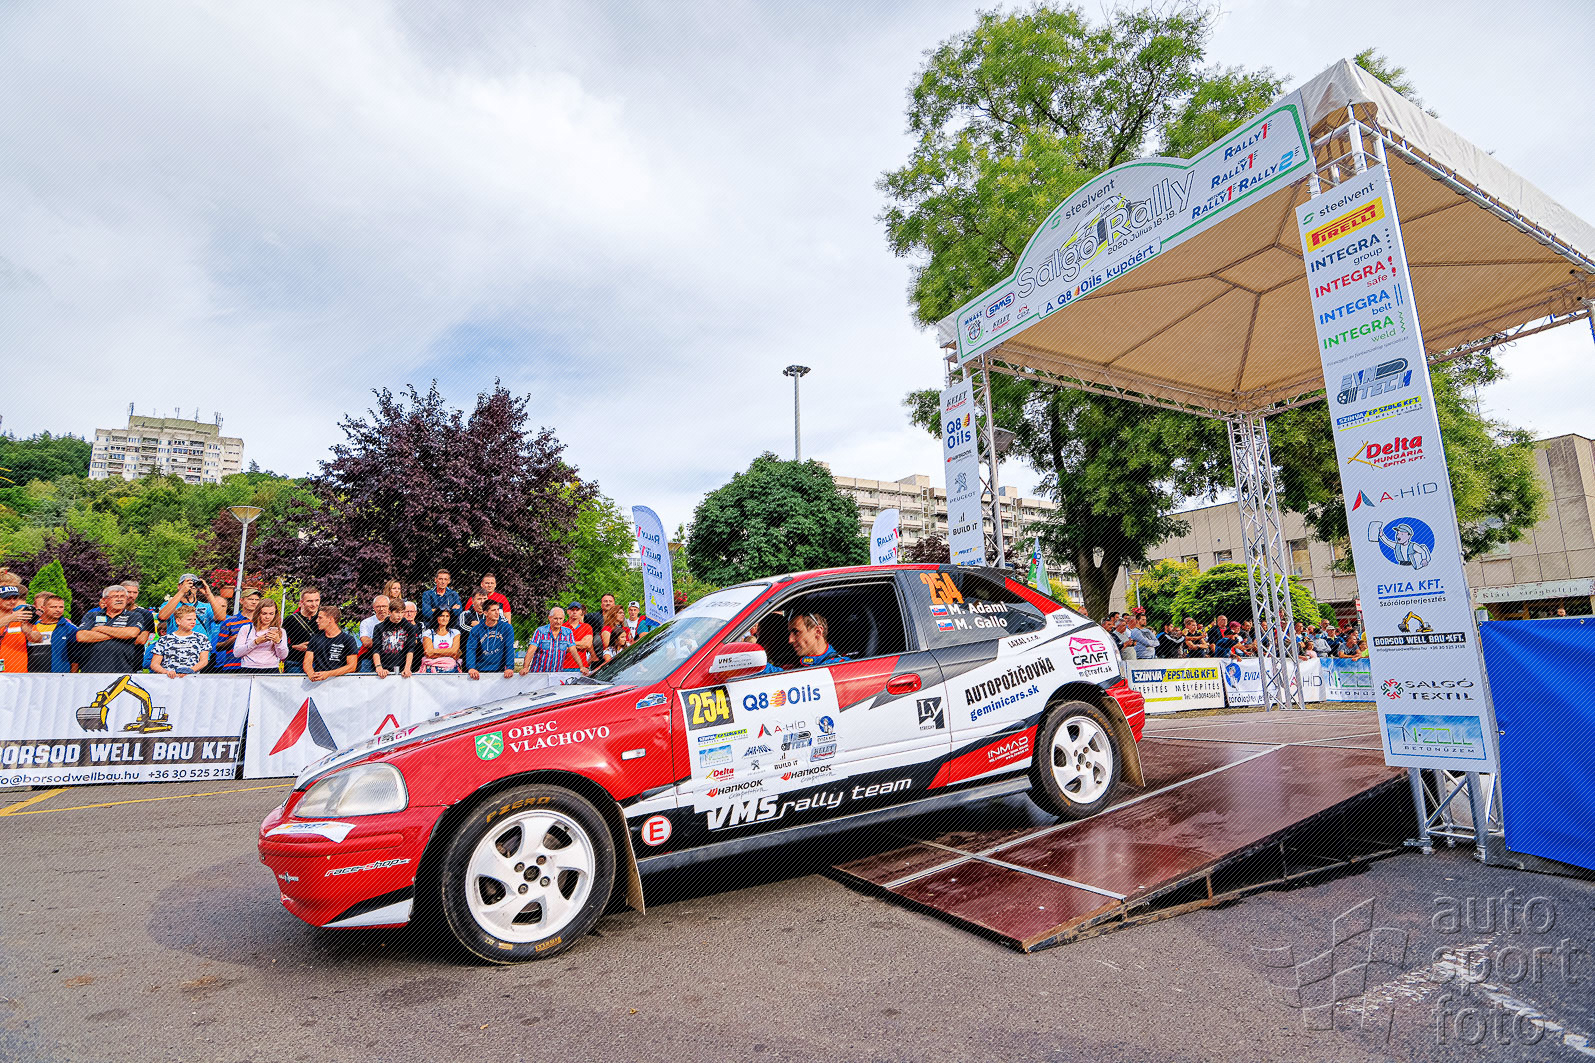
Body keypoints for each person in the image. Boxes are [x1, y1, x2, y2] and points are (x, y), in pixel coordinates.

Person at [74, 584, 154, 673]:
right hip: (91, 669)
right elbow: (81, 636)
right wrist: (121, 635)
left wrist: (99, 628)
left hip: (122, 669)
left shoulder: (134, 616)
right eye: (115, 596)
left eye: (123, 596)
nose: (120, 599)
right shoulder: (92, 615)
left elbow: (132, 633)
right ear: (105, 600)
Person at [232, 597, 290, 673]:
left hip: (271, 669)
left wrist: (278, 642)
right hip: (248, 668)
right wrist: (255, 642)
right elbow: (237, 653)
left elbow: (283, 656)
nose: (267, 617)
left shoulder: (280, 631)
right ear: (258, 613)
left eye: (271, 614)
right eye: (264, 613)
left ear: (275, 614)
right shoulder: (246, 629)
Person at [150, 605, 211, 678]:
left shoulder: (202, 638)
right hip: (169, 679)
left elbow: (204, 661)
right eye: (189, 619)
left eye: (195, 619)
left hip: (192, 679)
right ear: (178, 621)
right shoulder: (164, 639)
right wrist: (167, 672)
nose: (193, 622)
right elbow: (154, 664)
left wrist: (190, 670)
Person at [212, 587, 262, 673]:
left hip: (257, 665)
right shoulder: (229, 621)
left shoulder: (263, 621)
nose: (254, 602)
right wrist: (232, 640)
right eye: (250, 599)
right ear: (241, 601)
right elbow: (218, 647)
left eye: (257, 600)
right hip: (234, 665)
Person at [304, 606, 360, 682]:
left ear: (330, 619)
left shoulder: (348, 639)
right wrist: (311, 674)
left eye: (320, 618)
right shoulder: (315, 639)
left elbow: (352, 666)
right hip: (318, 682)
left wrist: (328, 674)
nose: (317, 620)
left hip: (340, 682)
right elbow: (307, 663)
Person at [464, 600, 516, 679]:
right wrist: (471, 667)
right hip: (480, 670)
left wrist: (509, 667)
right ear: (485, 613)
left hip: (500, 670)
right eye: (493, 610)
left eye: (498, 609)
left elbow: (509, 648)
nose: (497, 612)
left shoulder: (507, 628)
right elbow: (471, 649)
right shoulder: (476, 629)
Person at [372, 600, 421, 678]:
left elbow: (410, 649)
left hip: (402, 667)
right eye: (397, 612)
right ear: (389, 612)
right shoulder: (379, 627)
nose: (400, 615)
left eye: (402, 612)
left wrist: (407, 668)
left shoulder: (410, 627)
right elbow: (376, 649)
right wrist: (379, 667)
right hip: (384, 666)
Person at [521, 606, 576, 674]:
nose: (558, 621)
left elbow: (574, 652)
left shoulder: (568, 632)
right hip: (538, 673)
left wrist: (581, 667)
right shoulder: (540, 631)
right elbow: (531, 651)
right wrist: (525, 667)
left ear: (564, 618)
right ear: (549, 618)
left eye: (560, 618)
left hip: (556, 674)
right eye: (555, 618)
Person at [282, 587, 321, 675]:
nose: (314, 604)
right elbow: (281, 644)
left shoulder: (325, 618)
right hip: (295, 662)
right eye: (309, 601)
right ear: (301, 603)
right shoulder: (290, 620)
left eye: (317, 600)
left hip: (319, 662)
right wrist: (295, 647)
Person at [0, 583, 32, 674]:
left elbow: (38, 639)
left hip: (17, 671)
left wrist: (29, 632)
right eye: (7, 598)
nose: (12, 601)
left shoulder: (22, 616)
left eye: (15, 598)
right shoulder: (15, 616)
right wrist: (11, 618)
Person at [42, 595, 78, 673]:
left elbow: (75, 657)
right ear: (43, 608)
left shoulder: (71, 629)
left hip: (60, 675)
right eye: (53, 607)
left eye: (61, 607)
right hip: (32, 674)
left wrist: (73, 676)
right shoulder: (33, 627)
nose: (58, 610)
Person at [357, 594, 391, 673]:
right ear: (374, 607)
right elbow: (366, 642)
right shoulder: (366, 622)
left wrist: (376, 642)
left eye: (384, 606)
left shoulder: (395, 621)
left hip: (391, 657)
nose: (381, 609)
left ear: (389, 607)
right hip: (369, 655)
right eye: (378, 606)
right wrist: (388, 645)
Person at [421, 608, 462, 672]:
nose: (444, 619)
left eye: (447, 616)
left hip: (451, 669)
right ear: (437, 617)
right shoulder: (428, 633)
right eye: (442, 616)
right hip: (432, 669)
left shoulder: (455, 632)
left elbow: (455, 652)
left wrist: (434, 652)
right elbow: (428, 653)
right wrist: (450, 652)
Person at [563, 601, 594, 672]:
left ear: (581, 612)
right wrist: (580, 643)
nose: (574, 612)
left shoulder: (587, 627)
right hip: (564, 666)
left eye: (577, 610)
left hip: (582, 667)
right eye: (572, 610)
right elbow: (559, 646)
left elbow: (587, 644)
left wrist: (568, 644)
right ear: (568, 611)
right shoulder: (562, 627)